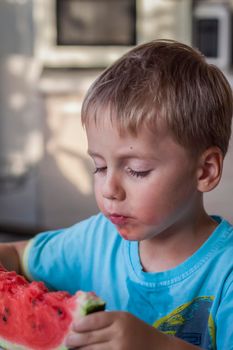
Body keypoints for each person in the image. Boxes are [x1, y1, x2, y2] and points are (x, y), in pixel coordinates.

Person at [0, 39, 233, 350]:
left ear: (205, 171)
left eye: (137, 170)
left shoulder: (226, 272)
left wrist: (159, 346)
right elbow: (16, 255)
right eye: (99, 167)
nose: (109, 188)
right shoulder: (97, 239)